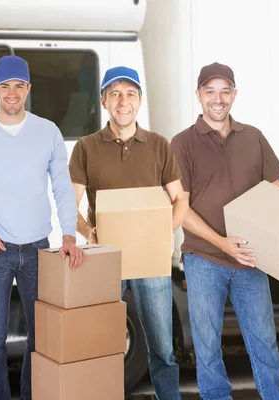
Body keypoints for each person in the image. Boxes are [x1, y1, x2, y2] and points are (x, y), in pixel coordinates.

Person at [0, 55, 85, 400]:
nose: (12, 93)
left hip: (39, 249)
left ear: (28, 89)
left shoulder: (47, 131)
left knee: (40, 338)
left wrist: (68, 234)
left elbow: (63, 188)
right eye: (5, 86)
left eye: (19, 86)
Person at [171, 62, 279, 400]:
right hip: (204, 258)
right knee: (207, 346)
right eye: (210, 92)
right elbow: (181, 207)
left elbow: (278, 190)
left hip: (251, 257)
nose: (218, 99)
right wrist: (223, 243)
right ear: (199, 95)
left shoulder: (252, 137)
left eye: (225, 91)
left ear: (234, 95)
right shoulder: (182, 143)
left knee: (265, 341)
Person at [68, 66, 188, 400]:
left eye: (130, 94)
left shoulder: (158, 145)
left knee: (162, 348)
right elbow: (70, 202)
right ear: (104, 100)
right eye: (116, 94)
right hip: (106, 260)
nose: (124, 101)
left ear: (140, 101)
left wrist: (165, 228)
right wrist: (86, 230)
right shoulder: (86, 147)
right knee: (103, 347)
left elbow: (180, 198)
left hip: (150, 262)